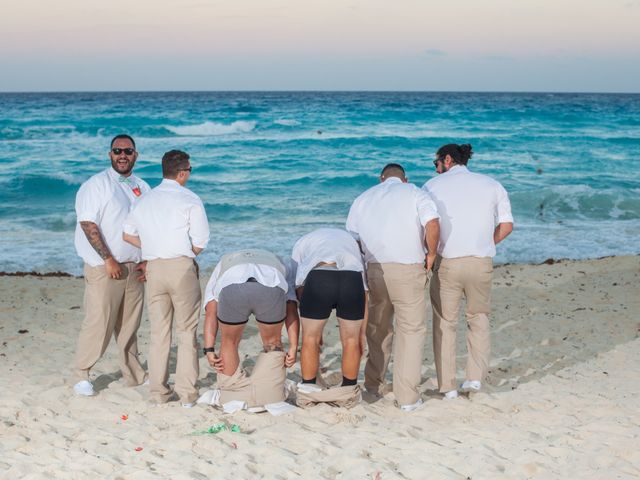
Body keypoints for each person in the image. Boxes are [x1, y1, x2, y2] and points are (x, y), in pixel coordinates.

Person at [346, 163, 440, 412]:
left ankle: (374, 386)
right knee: (410, 331)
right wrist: (431, 254)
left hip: (375, 268)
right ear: (405, 179)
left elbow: (352, 239)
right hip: (408, 268)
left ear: (381, 178)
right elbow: (432, 223)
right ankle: (407, 397)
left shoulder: (363, 198)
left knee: (378, 328)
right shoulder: (416, 193)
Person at [423, 144, 513, 399]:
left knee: (445, 324)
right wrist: (485, 242)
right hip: (480, 262)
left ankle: (448, 386)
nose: (436, 167)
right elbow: (506, 226)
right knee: (478, 319)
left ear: (448, 160)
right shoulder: (491, 184)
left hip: (448, 262)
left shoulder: (431, 186)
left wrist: (429, 253)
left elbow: (426, 226)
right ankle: (474, 379)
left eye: (436, 162)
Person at [123, 150, 209, 407]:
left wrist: (151, 247)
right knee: (186, 332)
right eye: (189, 170)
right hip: (180, 267)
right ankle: (186, 394)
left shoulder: (144, 200)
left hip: (154, 269)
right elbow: (201, 241)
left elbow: (127, 234)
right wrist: (184, 255)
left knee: (160, 332)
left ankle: (158, 393)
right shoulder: (190, 198)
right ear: (183, 173)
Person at [72, 134, 149, 397]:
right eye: (117, 151)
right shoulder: (96, 185)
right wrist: (108, 259)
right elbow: (88, 224)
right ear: (110, 154)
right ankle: (82, 374)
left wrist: (147, 259)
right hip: (105, 268)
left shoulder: (141, 185)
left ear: (135, 155)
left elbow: (149, 226)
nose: (123, 155)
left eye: (128, 151)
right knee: (99, 321)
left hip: (135, 268)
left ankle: (134, 375)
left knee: (129, 325)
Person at [200, 249, 299, 409]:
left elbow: (211, 309)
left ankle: (230, 395)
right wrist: (294, 346)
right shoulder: (280, 260)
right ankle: (270, 396)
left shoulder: (224, 261)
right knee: (272, 342)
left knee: (229, 342)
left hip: (233, 289)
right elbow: (291, 305)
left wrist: (209, 349)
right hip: (270, 289)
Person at [291, 228, 367, 397]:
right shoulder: (351, 241)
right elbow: (365, 287)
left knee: (310, 338)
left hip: (319, 278)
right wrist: (363, 332)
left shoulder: (303, 240)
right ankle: (348, 389)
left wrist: (309, 313)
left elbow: (297, 283)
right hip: (351, 280)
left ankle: (309, 387)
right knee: (351, 340)